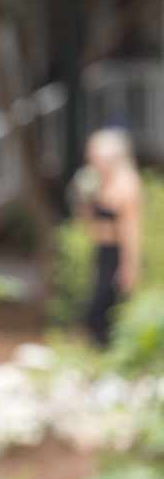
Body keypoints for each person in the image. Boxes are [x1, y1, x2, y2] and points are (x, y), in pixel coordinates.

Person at [76, 128, 143, 346]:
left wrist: (129, 266)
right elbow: (85, 221)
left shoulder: (126, 187)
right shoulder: (96, 184)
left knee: (103, 310)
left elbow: (130, 231)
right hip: (101, 250)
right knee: (100, 309)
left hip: (117, 253)